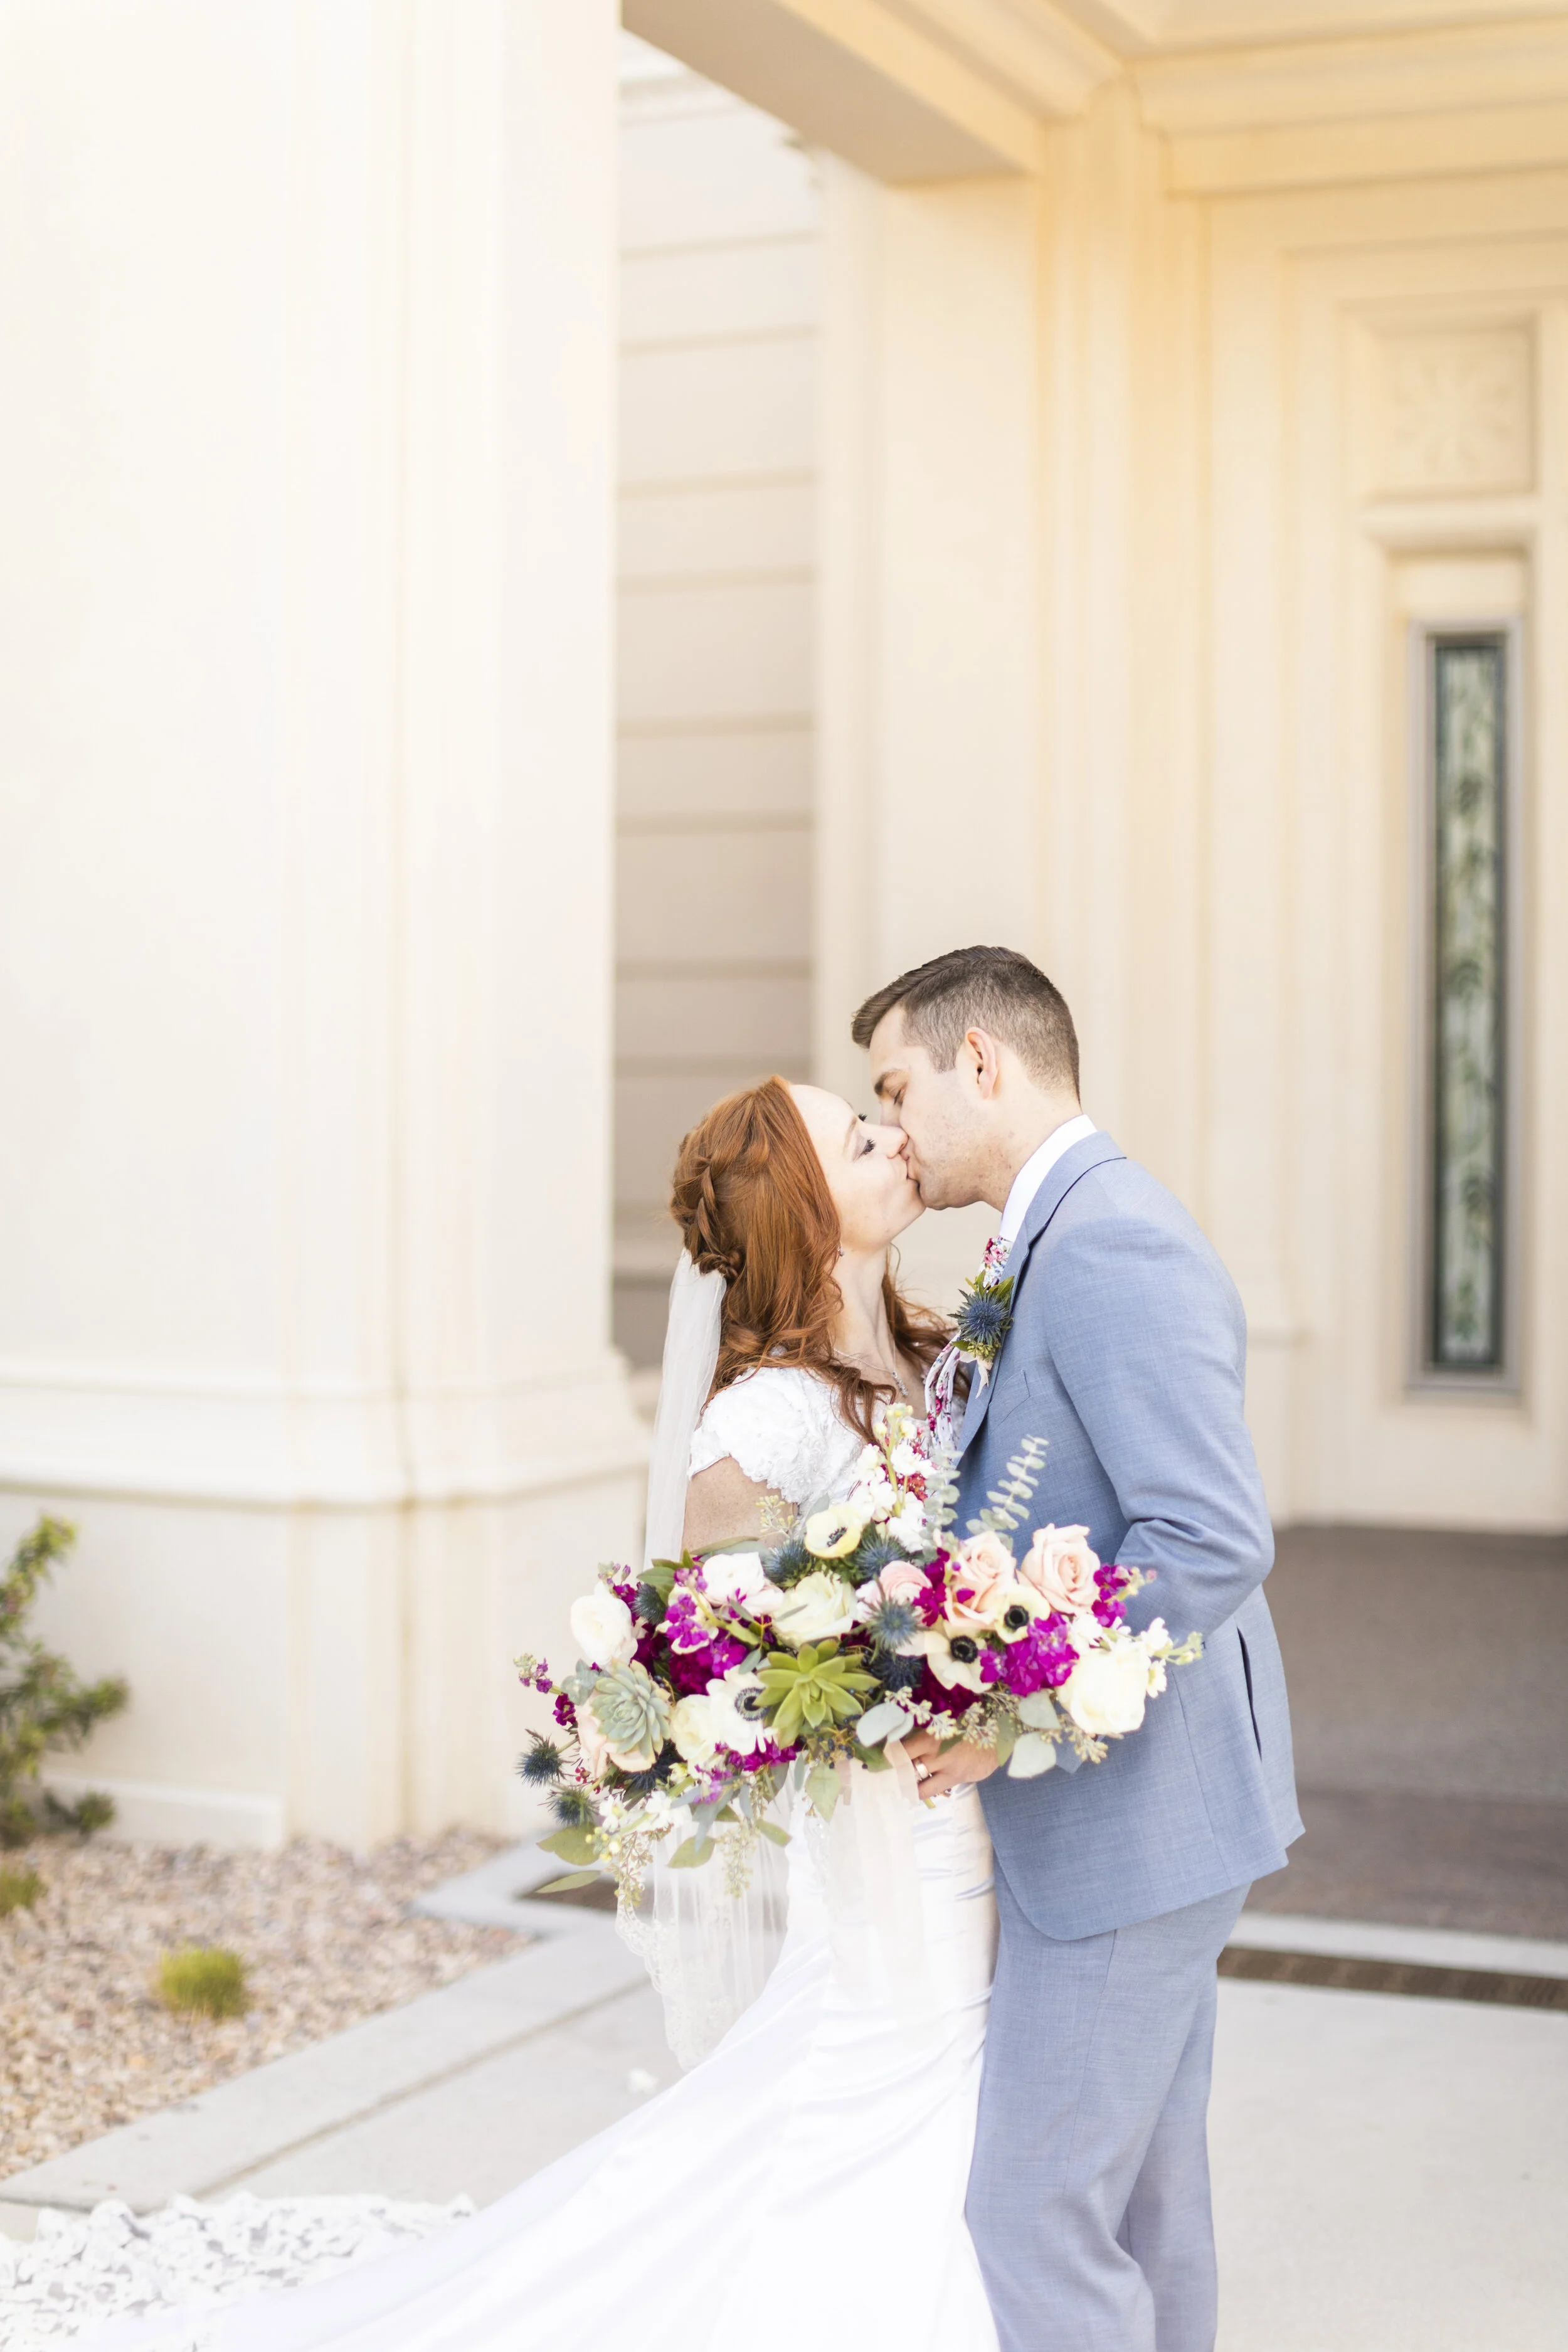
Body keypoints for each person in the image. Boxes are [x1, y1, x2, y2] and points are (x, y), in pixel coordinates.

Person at [48, 1075, 1005, 2352]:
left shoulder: (947, 1358)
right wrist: (879, 1681)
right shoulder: (758, 1427)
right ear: (798, 1204)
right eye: (858, 1136)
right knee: (880, 2073)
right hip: (889, 1837)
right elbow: (721, 1679)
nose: (895, 1139)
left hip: (980, 1818)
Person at [856, 945, 1301, 2352]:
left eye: (896, 1086)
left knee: (1034, 2214)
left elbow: (1210, 1537)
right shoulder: (1036, 1239)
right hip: (1143, 1822)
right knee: (1143, 2215)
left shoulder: (1110, 1238)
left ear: (976, 1062)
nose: (895, 1126)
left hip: (1129, 1815)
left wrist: (1013, 1713)